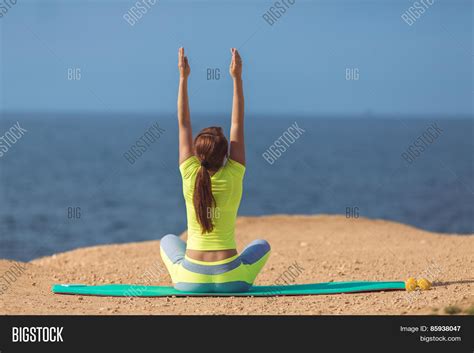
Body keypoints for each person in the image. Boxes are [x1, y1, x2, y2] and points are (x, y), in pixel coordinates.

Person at [159, 47, 271, 292]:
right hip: (232, 279)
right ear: (226, 155)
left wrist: (183, 78)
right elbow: (237, 122)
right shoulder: (234, 171)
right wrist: (237, 78)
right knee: (263, 245)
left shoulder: (189, 171)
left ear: (197, 154)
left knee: (168, 240)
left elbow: (184, 122)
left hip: (191, 281)